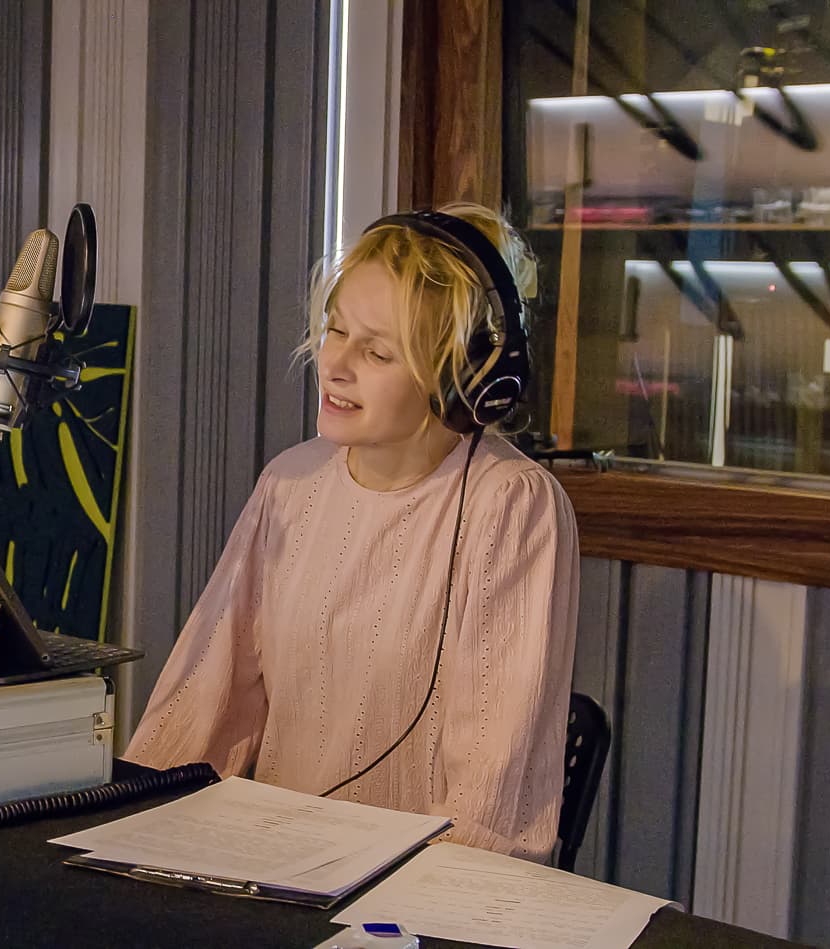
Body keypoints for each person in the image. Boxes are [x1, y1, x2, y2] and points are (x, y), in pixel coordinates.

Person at [124, 203, 580, 863]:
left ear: (463, 377)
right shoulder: (291, 482)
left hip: (414, 894)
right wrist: (130, 830)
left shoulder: (511, 506)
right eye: (336, 331)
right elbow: (202, 702)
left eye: (377, 352)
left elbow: (490, 797)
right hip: (274, 873)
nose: (335, 364)